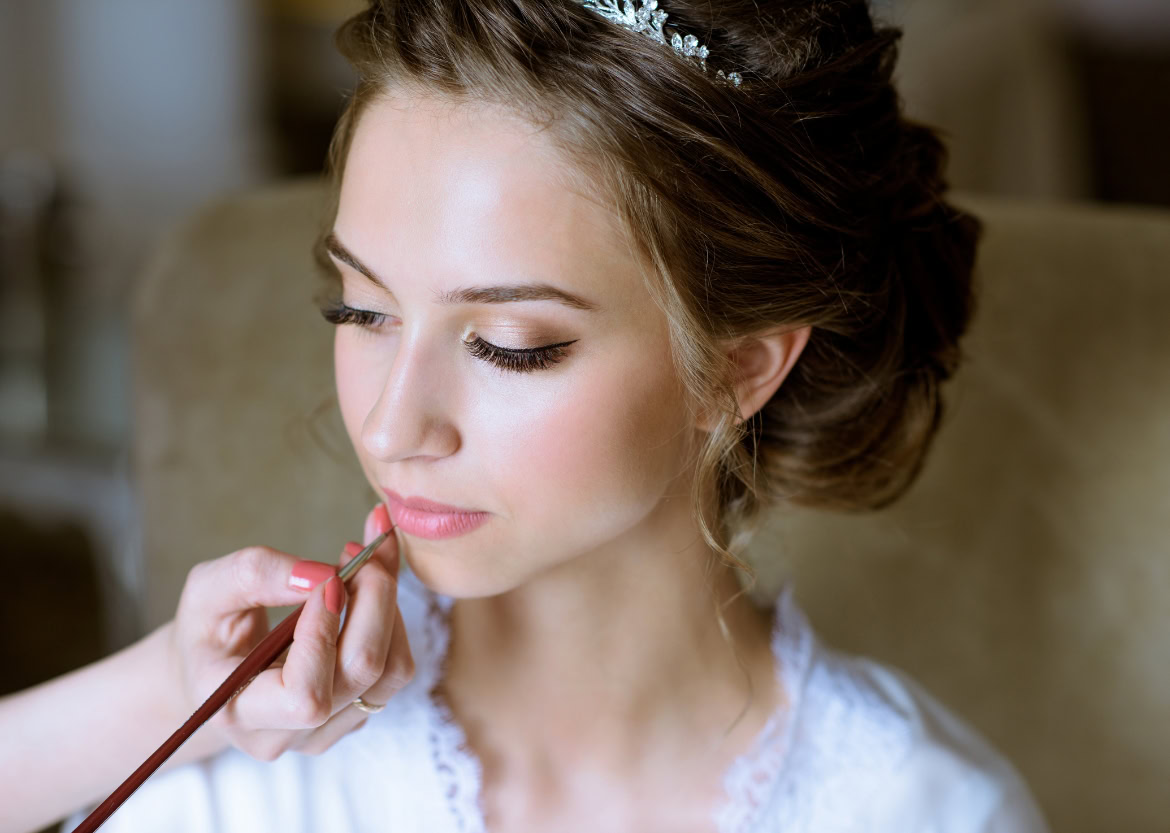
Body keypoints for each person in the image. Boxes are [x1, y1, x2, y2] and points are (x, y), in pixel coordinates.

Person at [1, 1, 1052, 831]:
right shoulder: (252, 770)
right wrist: (166, 694)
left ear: (739, 366)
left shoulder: (928, 810)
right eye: (361, 312)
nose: (392, 427)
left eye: (510, 344)